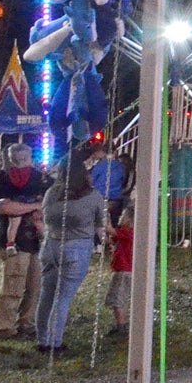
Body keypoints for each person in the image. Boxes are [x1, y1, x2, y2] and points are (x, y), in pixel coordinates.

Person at [35, 146, 107, 356]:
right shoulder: (92, 196)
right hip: (77, 247)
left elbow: (45, 217)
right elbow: (100, 225)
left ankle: (42, 339)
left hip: (51, 244)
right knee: (63, 297)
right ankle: (55, 343)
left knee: (47, 294)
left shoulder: (51, 194)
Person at [0, 144, 48, 342]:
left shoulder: (41, 178)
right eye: (18, 157)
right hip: (11, 241)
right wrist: (33, 206)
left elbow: (47, 206)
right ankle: (5, 326)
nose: (22, 161)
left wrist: (25, 208)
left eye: (25, 157)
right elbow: (6, 208)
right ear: (10, 157)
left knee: (35, 285)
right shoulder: (1, 180)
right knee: (13, 284)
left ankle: (27, 323)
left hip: (37, 241)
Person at [105, 208, 135, 338]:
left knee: (118, 299)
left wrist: (106, 220)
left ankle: (121, 327)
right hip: (126, 271)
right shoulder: (128, 234)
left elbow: (110, 231)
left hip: (124, 271)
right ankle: (122, 324)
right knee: (121, 298)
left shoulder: (128, 232)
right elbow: (111, 240)